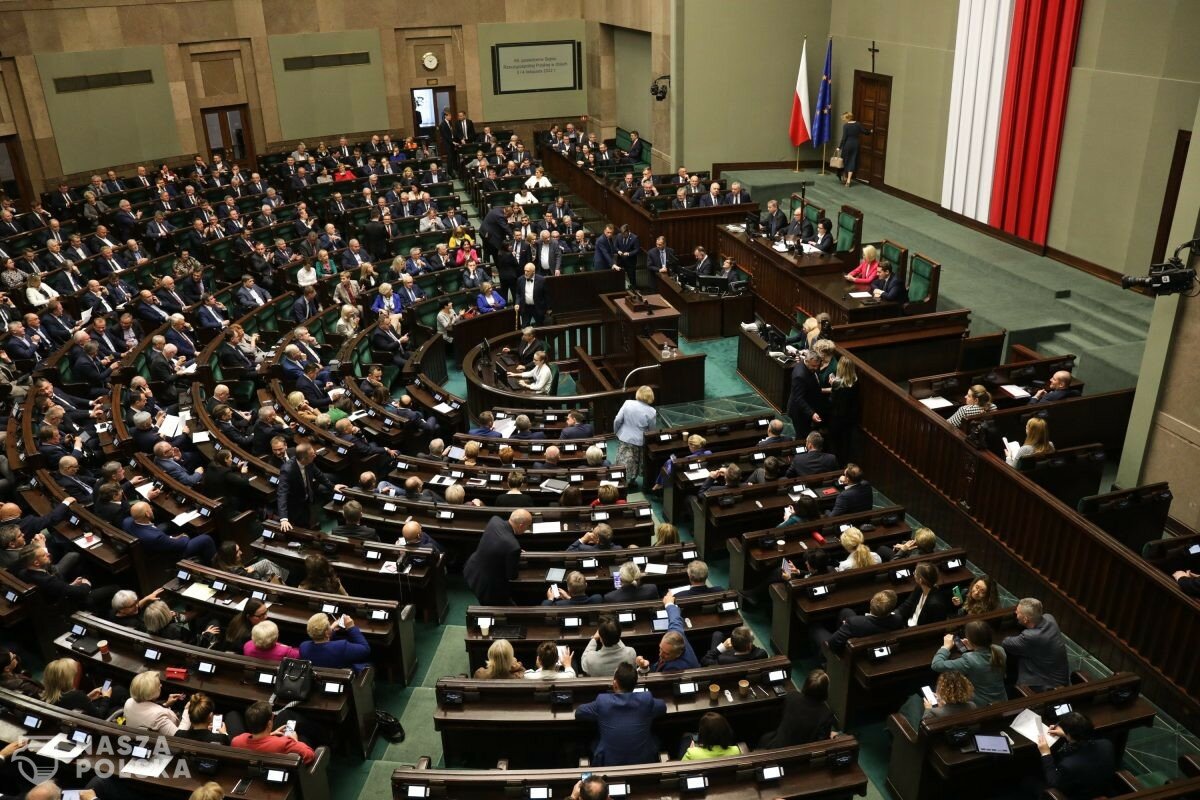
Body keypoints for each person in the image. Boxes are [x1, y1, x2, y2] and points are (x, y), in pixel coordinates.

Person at [575, 662, 666, 766]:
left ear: (615, 684)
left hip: (609, 763)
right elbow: (663, 707)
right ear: (635, 684)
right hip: (643, 760)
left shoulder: (603, 701)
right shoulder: (646, 700)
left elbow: (579, 712)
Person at [1034, 712, 1117, 800]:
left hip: (1080, 795)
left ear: (1069, 734)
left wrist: (1045, 753)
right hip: (1102, 788)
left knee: (1028, 782)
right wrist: (1067, 734)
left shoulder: (1068, 765)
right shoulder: (1106, 744)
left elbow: (1054, 783)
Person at [931, 620, 1009, 706]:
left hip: (981, 706)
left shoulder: (969, 660)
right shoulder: (999, 650)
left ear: (970, 640)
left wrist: (945, 647)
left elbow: (936, 665)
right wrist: (973, 648)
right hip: (1003, 701)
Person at [463, 510, 532, 606]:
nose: (527, 529)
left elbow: (497, 542)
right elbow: (512, 576)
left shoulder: (494, 520)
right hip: (487, 585)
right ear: (521, 526)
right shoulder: (513, 546)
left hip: (472, 568)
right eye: (528, 526)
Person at [1002, 597, 1069, 691]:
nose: (1015, 613)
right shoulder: (1049, 618)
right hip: (1058, 675)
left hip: (1048, 684)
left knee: (1012, 656)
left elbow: (1006, 643)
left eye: (1018, 612)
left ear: (1025, 619)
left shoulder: (1031, 636)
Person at [759, 669, 836, 747]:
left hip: (777, 745)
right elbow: (821, 744)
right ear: (825, 691)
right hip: (801, 755)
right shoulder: (826, 715)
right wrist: (829, 737)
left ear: (806, 684)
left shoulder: (791, 696)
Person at [231, 700, 316, 764]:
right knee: (304, 737)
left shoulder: (236, 741)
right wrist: (295, 741)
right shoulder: (284, 743)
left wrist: (270, 734)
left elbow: (258, 743)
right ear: (269, 724)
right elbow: (310, 756)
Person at [41, 657, 127, 719]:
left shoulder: (47, 697)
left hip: (81, 713)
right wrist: (106, 697)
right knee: (120, 692)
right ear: (68, 679)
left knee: (118, 691)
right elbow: (99, 716)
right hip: (96, 721)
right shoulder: (76, 695)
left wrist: (88, 697)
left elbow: (73, 703)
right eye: (74, 674)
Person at [635, 592, 699, 673]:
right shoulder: (677, 633)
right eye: (660, 649)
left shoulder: (673, 668)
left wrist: (644, 668)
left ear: (678, 654)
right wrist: (669, 603)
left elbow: (656, 679)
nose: (660, 654)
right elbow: (675, 619)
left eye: (666, 653)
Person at [822, 590, 902, 654]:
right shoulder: (897, 619)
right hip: (869, 641)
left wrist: (846, 627)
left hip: (851, 653)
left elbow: (831, 644)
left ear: (871, 602)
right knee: (846, 611)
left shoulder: (855, 623)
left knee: (814, 629)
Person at [612, 385, 656, 490]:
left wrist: (616, 431)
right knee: (635, 463)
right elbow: (652, 430)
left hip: (624, 437)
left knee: (622, 461)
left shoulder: (627, 403)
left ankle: (619, 482)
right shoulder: (652, 411)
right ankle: (631, 482)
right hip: (639, 441)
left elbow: (617, 420)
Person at [124, 670, 191, 735]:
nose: (161, 685)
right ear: (151, 691)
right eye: (159, 684)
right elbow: (179, 736)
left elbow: (147, 712)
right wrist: (187, 711)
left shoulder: (129, 702)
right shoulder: (159, 716)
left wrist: (166, 705)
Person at [300, 612, 371, 672]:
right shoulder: (341, 647)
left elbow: (321, 642)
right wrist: (351, 627)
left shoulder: (303, 647)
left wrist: (331, 629)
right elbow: (365, 649)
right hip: (343, 679)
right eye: (329, 625)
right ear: (326, 633)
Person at [895, 562, 951, 626]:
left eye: (915, 573)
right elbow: (908, 604)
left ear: (920, 580)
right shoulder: (919, 588)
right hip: (909, 623)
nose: (913, 574)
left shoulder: (935, 604)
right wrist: (894, 614)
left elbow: (933, 628)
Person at [788, 349, 827, 436]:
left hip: (808, 406)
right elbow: (798, 398)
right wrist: (811, 413)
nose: (816, 368)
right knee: (802, 435)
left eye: (817, 365)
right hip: (799, 412)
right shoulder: (800, 375)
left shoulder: (808, 367)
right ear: (807, 361)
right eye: (813, 366)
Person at [837, 111, 872, 186]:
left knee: (845, 160)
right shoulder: (858, 124)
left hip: (847, 145)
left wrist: (839, 147)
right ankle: (849, 180)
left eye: (843, 119)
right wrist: (870, 131)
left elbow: (844, 138)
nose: (843, 120)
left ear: (847, 118)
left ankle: (844, 177)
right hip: (855, 144)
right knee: (852, 160)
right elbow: (865, 132)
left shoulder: (846, 126)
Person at [702, 626, 767, 666]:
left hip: (725, 662)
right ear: (749, 645)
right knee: (718, 635)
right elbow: (755, 648)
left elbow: (704, 661)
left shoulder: (722, 659)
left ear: (732, 645)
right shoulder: (761, 654)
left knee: (717, 634)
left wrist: (722, 647)